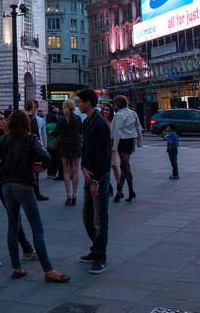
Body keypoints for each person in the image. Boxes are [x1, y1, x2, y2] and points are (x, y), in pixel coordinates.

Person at [0, 110, 69, 283]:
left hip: (7, 186)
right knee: (36, 227)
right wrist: (40, 167)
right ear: (26, 123)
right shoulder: (30, 139)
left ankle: (17, 267)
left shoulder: (5, 139)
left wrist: (2, 168)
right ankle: (48, 269)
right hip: (24, 185)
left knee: (13, 226)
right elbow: (46, 156)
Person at [0, 110, 36, 268]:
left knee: (15, 216)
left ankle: (26, 248)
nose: (3, 122)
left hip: (6, 182)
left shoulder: (6, 139)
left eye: (4, 119)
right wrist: (0, 169)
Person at [77, 88, 111, 274]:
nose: (78, 104)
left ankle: (100, 256)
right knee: (87, 216)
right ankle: (95, 247)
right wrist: (83, 167)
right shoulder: (87, 122)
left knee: (99, 218)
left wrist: (95, 177)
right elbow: (85, 148)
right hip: (88, 174)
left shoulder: (100, 125)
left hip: (99, 176)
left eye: (80, 101)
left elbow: (104, 155)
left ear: (88, 102)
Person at [110, 95, 142, 203]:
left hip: (122, 142)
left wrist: (114, 146)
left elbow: (117, 131)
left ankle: (131, 191)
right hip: (130, 141)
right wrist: (139, 142)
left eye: (115, 104)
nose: (114, 106)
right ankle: (119, 192)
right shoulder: (133, 113)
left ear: (118, 104)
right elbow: (138, 127)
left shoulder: (119, 115)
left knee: (126, 167)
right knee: (123, 167)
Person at [53, 99, 82, 205]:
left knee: (66, 171)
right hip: (75, 145)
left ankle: (68, 196)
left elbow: (56, 133)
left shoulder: (61, 119)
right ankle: (74, 195)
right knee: (75, 170)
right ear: (73, 107)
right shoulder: (78, 118)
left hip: (64, 146)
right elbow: (80, 131)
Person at [23, 100, 49, 201]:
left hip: (24, 148)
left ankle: (31, 191)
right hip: (33, 149)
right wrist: (43, 148)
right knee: (35, 170)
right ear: (35, 108)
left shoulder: (23, 118)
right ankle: (35, 192)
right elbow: (39, 136)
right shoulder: (34, 119)